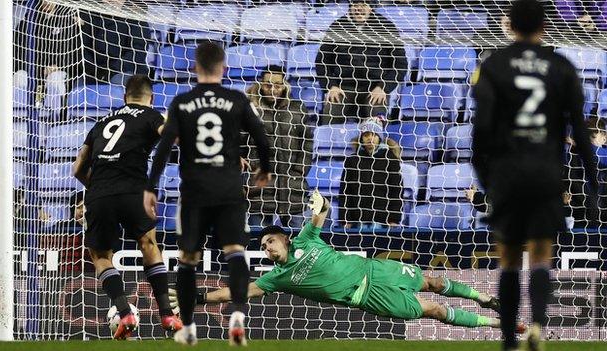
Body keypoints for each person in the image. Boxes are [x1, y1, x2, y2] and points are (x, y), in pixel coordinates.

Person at [169, 191, 528, 334]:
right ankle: (498, 324)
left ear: (285, 238)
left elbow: (322, 211)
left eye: (270, 240)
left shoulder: (307, 238)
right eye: (262, 246)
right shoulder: (276, 278)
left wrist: (318, 204)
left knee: (433, 281)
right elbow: (237, 291)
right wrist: (198, 299)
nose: (266, 248)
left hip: (375, 268)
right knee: (432, 309)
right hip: (368, 297)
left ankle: (486, 299)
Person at [472, 1, 598, 350]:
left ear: (509, 25)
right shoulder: (561, 66)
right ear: (545, 27)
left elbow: (480, 130)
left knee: (510, 257)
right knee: (542, 253)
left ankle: (510, 340)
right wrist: (592, 178)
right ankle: (539, 325)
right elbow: (582, 133)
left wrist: (486, 177)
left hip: (507, 173)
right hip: (545, 171)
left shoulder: (492, 65)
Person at [143, 42, 272, 346]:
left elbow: (164, 148)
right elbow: (261, 136)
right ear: (223, 68)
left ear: (194, 67)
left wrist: (150, 186)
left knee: (188, 259)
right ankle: (238, 315)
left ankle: (188, 327)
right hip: (229, 189)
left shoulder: (183, 101)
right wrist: (263, 169)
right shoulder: (237, 99)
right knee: (235, 252)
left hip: (195, 193)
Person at [72, 74, 182, 339]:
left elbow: (77, 168)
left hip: (99, 194)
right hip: (134, 191)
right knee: (149, 245)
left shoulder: (102, 122)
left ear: (123, 97)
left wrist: (98, 189)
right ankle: (167, 315)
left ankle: (125, 313)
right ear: (151, 97)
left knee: (100, 257)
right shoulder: (150, 115)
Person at [315, 0, 407, 125]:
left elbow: (400, 64)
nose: (359, 8)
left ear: (371, 7)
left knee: (377, 118)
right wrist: (331, 86)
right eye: (355, 5)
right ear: (350, 7)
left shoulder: (386, 26)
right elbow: (322, 61)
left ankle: (379, 143)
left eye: (363, 4)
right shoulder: (337, 26)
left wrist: (383, 88)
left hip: (374, 88)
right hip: (344, 87)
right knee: (332, 110)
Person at [245, 65, 313, 229]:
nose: (273, 89)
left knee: (299, 244)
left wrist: (300, 169)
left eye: (277, 85)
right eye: (268, 85)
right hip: (259, 189)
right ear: (261, 84)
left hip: (292, 188)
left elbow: (307, 142)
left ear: (285, 85)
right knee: (258, 244)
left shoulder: (297, 109)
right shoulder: (250, 109)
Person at [339, 117, 402, 229]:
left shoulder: (391, 160)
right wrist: (345, 219)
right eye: (366, 135)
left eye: (373, 134)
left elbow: (396, 191)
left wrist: (394, 219)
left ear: (379, 137)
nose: (370, 138)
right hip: (357, 220)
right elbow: (345, 192)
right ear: (361, 138)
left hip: (383, 220)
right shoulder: (352, 161)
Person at [78, 1, 150, 84]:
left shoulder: (135, 16)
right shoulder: (92, 14)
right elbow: (82, 47)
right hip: (94, 72)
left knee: (118, 82)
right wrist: (92, 69)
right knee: (78, 87)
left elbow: (138, 52)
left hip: (126, 71)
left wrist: (113, 69)